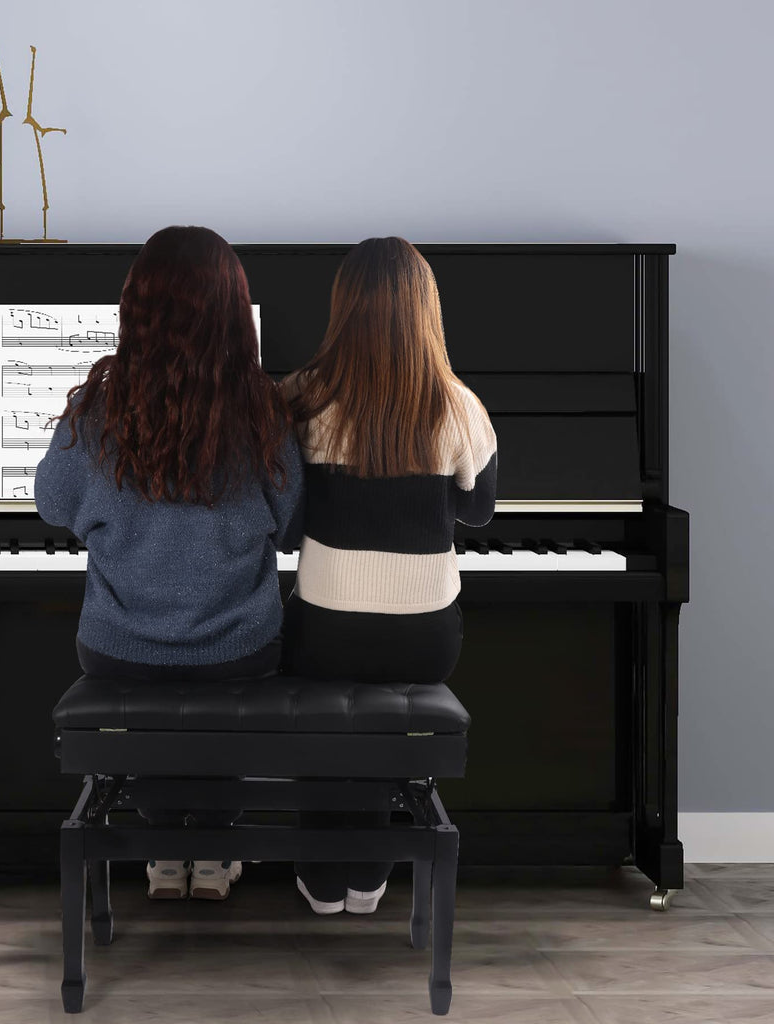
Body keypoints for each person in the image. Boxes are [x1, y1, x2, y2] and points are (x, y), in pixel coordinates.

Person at [36, 225, 303, 900]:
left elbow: (52, 503)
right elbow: (292, 521)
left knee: (149, 694)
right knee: (236, 677)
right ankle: (214, 841)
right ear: (233, 313)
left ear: (136, 308)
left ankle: (160, 838)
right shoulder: (262, 407)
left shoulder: (98, 405)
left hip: (120, 649)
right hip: (237, 648)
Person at [280, 236, 496, 915]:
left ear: (344, 309)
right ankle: (372, 873)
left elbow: (285, 527)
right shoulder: (461, 407)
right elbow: (477, 512)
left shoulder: (302, 398)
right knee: (384, 720)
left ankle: (321, 879)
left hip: (328, 632)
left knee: (317, 701)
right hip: (426, 638)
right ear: (424, 311)